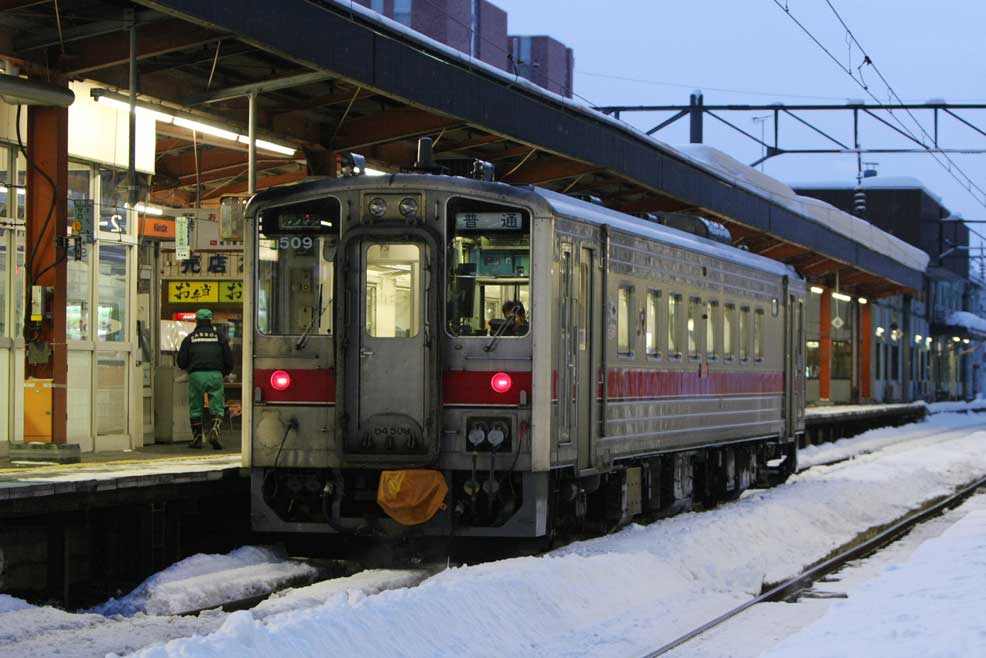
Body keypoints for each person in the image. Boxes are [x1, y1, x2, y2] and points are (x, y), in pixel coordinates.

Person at [177, 308, 234, 449]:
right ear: (210, 320)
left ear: (197, 320)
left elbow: (181, 361)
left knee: (195, 408)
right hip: (215, 374)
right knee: (218, 408)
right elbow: (229, 360)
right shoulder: (219, 337)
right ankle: (214, 430)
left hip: (196, 375)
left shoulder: (190, 338)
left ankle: (197, 439)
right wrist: (224, 372)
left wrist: (189, 368)